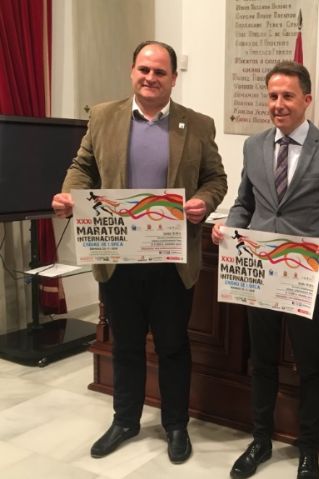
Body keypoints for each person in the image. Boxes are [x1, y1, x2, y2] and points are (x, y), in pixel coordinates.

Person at [51, 41, 227, 464]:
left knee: (173, 346)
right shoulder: (103, 117)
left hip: (171, 260)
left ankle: (176, 425)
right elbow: (82, 168)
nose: (150, 78)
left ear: (173, 78)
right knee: (126, 344)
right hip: (118, 256)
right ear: (132, 71)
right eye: (144, 70)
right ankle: (125, 420)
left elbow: (215, 178)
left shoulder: (197, 125)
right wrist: (70, 194)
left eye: (160, 72)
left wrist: (204, 201)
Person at [211, 61, 319, 479]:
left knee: (309, 366)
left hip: (305, 278)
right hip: (258, 275)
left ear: (307, 99)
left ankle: (308, 448)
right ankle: (260, 440)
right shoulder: (253, 145)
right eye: (273, 96)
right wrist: (229, 229)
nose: (278, 104)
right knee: (261, 361)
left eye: (287, 96)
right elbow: (245, 204)